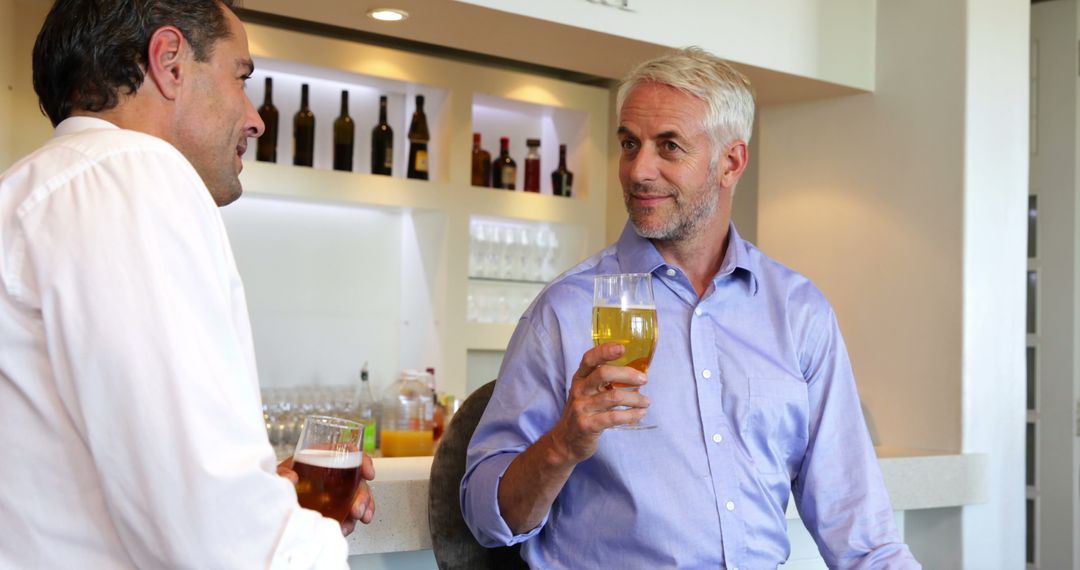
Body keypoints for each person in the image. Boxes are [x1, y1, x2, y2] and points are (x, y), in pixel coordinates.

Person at [461, 47, 920, 569]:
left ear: (731, 162)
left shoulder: (798, 313)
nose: (638, 170)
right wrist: (562, 444)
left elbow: (862, 534)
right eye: (629, 144)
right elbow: (484, 517)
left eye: (669, 147)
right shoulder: (565, 312)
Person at [0, 0, 374, 567]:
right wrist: (289, 539)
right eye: (240, 77)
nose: (255, 118)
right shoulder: (134, 174)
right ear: (170, 62)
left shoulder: (26, 190)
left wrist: (269, 503)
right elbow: (217, 535)